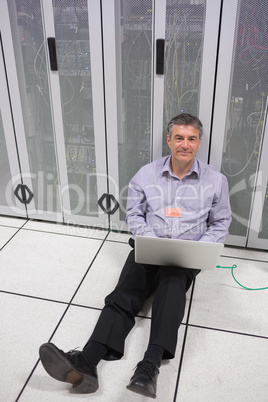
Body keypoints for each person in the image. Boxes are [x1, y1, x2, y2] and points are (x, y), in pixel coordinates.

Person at [39, 113, 231, 398]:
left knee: (171, 285)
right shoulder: (146, 174)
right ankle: (87, 361)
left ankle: (149, 367)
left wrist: (201, 248)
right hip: (148, 246)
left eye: (191, 139)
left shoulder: (216, 181)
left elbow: (220, 222)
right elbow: (134, 213)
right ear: (169, 140)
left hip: (186, 253)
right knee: (124, 294)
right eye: (179, 138)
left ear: (199, 143)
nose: (185, 145)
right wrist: (149, 239)